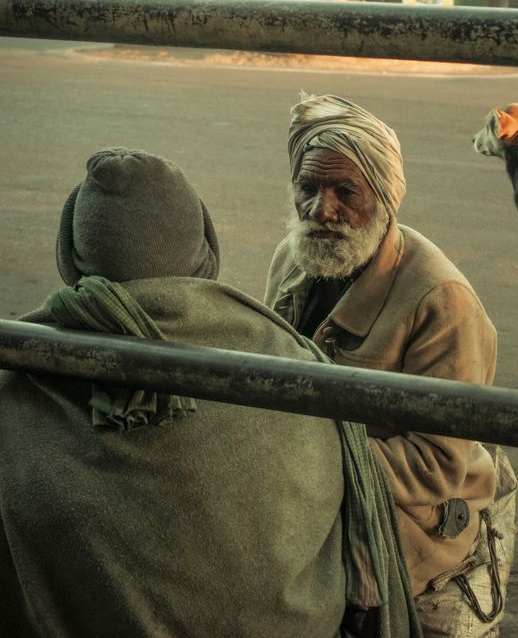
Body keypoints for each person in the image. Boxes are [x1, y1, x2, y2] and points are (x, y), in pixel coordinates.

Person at [0, 147, 394, 638]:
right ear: (203, 248)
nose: (322, 209)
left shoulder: (20, 369)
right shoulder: (283, 356)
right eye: (309, 190)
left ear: (73, 256)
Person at [265, 94, 518, 638]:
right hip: (313, 495)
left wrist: (298, 458)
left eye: (344, 192)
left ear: (383, 199)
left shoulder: (440, 299)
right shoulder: (293, 258)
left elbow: (435, 463)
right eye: (307, 189)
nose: (321, 210)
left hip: (415, 528)